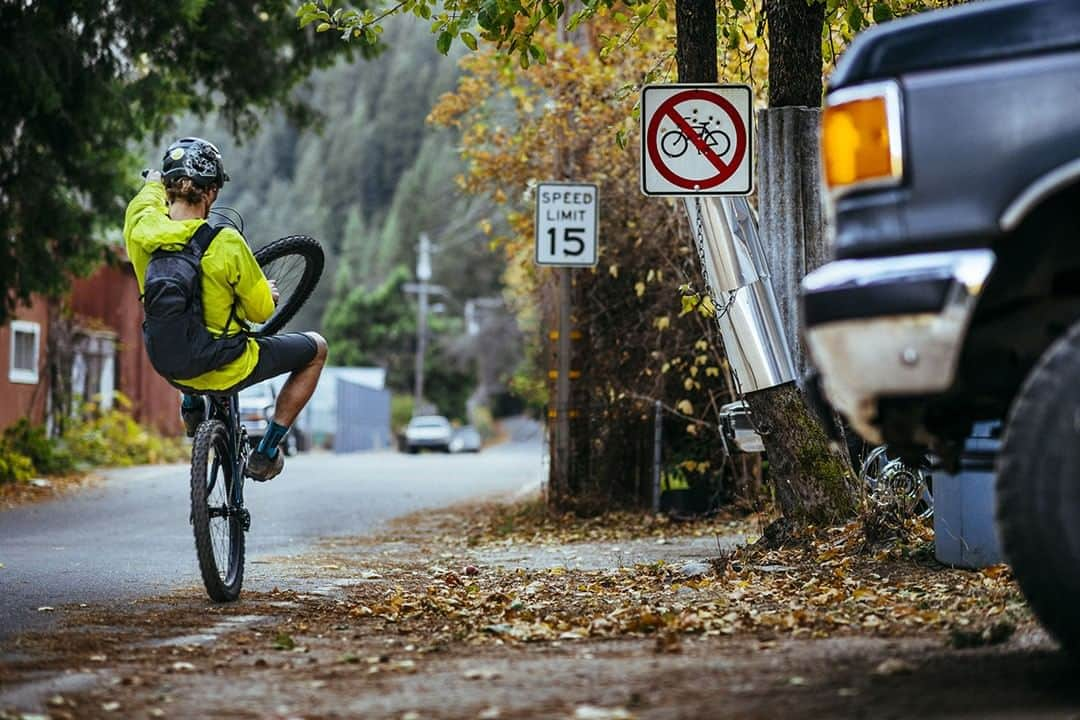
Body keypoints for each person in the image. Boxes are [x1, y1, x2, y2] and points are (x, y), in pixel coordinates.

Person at [123, 137, 327, 481]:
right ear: (212, 193)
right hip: (228, 366)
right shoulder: (227, 243)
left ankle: (191, 404)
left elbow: (146, 200)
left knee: (178, 320)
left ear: (168, 187)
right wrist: (270, 294)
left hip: (167, 364)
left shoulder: (139, 229)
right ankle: (266, 453)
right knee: (317, 349)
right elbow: (261, 313)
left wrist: (153, 183)